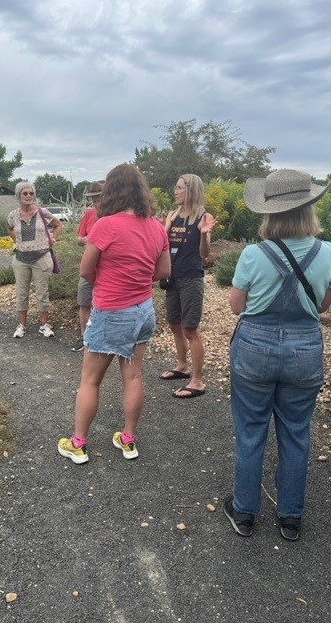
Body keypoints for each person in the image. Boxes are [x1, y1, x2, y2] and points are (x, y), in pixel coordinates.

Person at [224, 169, 331, 541]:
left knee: (251, 430)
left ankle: (244, 512)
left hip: (256, 345)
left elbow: (237, 306)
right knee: (297, 432)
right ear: (308, 210)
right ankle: (290, 518)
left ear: (270, 211)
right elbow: (322, 305)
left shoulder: (254, 254)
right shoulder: (328, 252)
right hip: (304, 348)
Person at [58, 163, 171, 464]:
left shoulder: (106, 225)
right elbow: (163, 271)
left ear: (112, 190)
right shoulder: (157, 227)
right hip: (143, 311)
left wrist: (112, 281)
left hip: (111, 312)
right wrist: (136, 278)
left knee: (91, 380)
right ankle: (128, 439)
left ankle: (78, 443)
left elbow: (85, 270)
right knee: (133, 376)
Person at [159, 174, 217, 398]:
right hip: (171, 277)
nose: (175, 191)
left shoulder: (203, 216)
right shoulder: (173, 215)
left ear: (191, 191)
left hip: (191, 278)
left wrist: (204, 235)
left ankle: (198, 380)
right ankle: (182, 367)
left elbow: (204, 254)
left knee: (190, 329)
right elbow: (163, 245)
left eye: (179, 188)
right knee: (174, 324)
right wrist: (162, 228)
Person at [7, 181, 63, 338]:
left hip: (41, 257)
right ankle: (21, 326)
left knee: (42, 292)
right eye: (25, 193)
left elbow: (58, 225)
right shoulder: (12, 215)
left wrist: (53, 238)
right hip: (21, 258)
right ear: (18, 196)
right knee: (21, 292)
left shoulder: (42, 212)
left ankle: (44, 325)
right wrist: (16, 241)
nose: (29, 196)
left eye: (31, 193)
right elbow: (9, 228)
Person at [71, 180, 105, 352]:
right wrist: (87, 240)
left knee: (104, 304)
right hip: (90, 265)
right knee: (84, 302)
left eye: (98, 197)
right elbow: (78, 238)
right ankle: (85, 337)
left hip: (107, 269)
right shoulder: (89, 214)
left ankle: (101, 337)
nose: (95, 201)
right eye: (93, 198)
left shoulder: (112, 216)